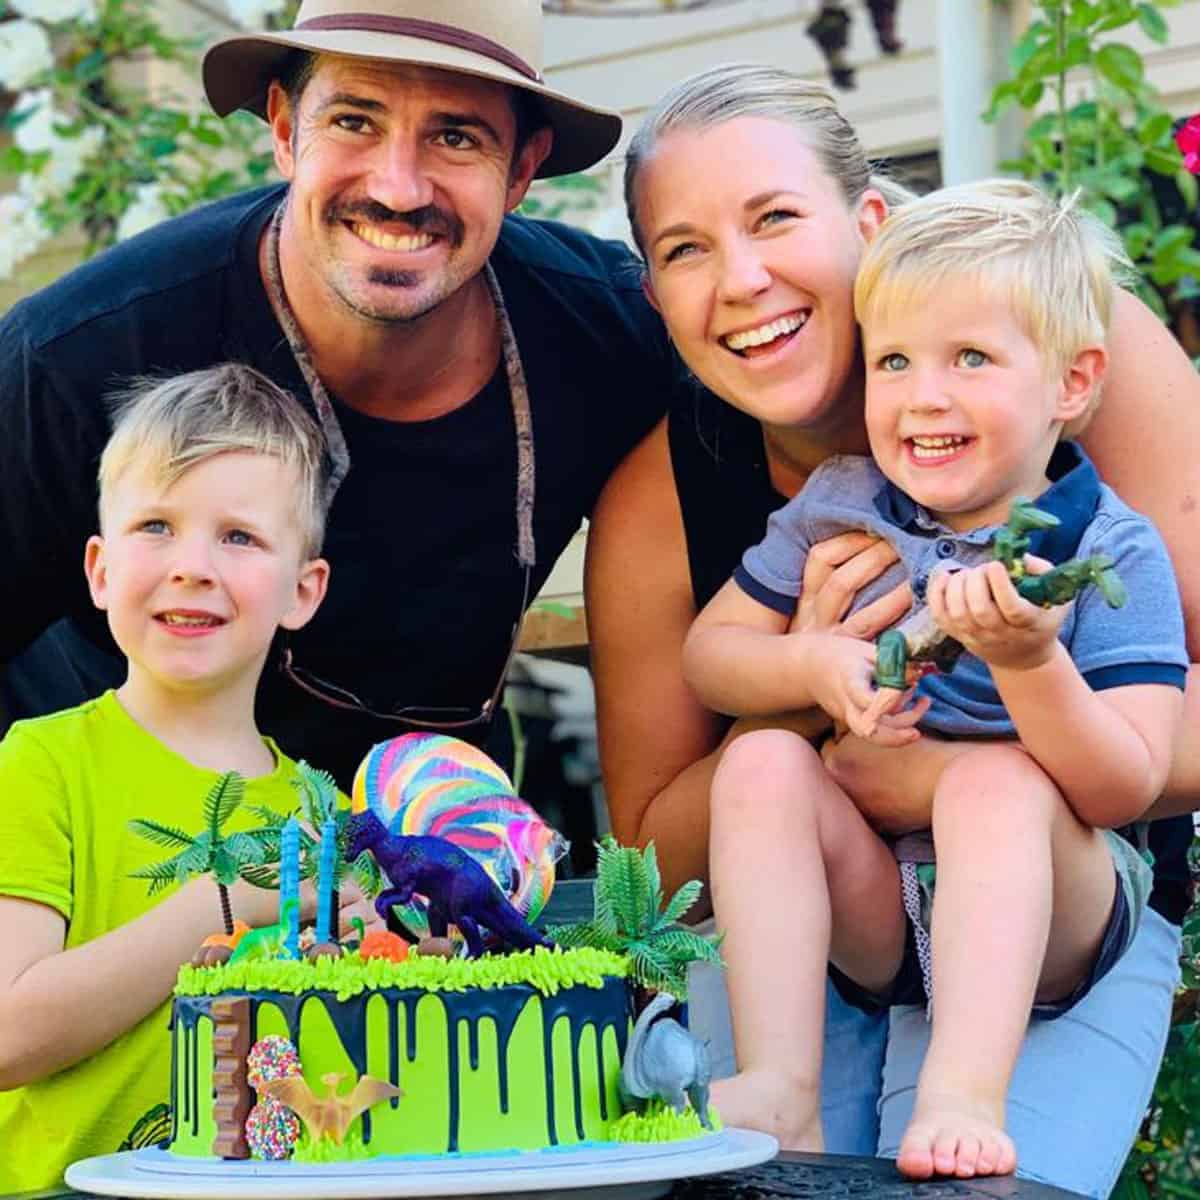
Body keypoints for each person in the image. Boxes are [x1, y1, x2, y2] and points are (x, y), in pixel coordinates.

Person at [587, 63, 1200, 1197]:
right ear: (654, 294)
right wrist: (802, 680)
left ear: (868, 223)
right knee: (763, 761)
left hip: (1050, 903)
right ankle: (781, 1079)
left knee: (991, 795)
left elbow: (1144, 756)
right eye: (684, 250)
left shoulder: (1067, 401)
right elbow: (654, 842)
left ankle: (964, 1088)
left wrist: (976, 725)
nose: (743, 279)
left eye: (775, 217)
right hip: (839, 906)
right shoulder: (820, 502)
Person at [0, 0, 672, 788]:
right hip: (122, 837)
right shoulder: (83, 354)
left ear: (522, 169)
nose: (397, 186)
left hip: (424, 852)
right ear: (285, 131)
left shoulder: (613, 334)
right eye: (355, 121)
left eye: (456, 136)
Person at [0, 364, 385, 1191]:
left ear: (303, 590)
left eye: (239, 537)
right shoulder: (42, 762)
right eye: (156, 527)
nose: (192, 566)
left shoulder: (321, 812)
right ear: (100, 571)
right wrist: (222, 903)